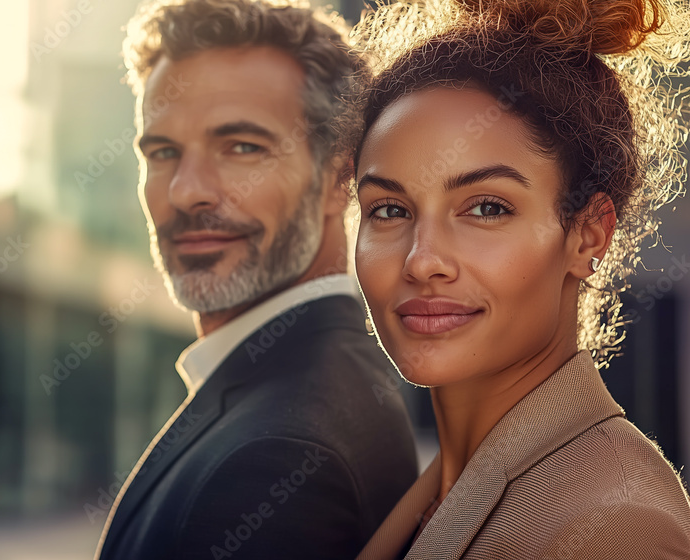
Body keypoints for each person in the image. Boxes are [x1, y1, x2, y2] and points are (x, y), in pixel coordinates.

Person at [339, 0, 690, 558]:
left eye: (487, 208)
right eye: (389, 210)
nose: (421, 260)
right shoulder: (428, 496)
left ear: (587, 235)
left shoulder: (618, 529)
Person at [94, 1, 419, 558]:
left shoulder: (277, 459)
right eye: (164, 151)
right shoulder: (317, 390)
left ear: (338, 178)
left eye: (242, 147)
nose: (185, 191)